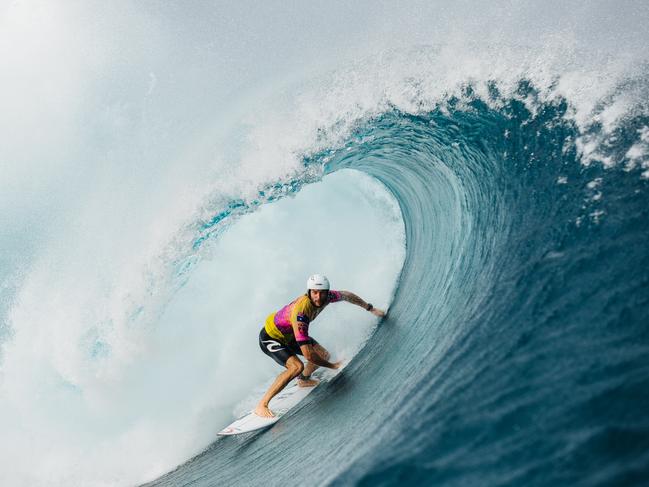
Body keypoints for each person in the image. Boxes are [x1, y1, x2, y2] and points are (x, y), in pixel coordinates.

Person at [254, 274, 386, 417]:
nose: (318, 297)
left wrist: (369, 308)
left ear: (327, 292)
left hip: (290, 335)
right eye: (315, 293)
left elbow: (346, 295)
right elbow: (308, 355)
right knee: (297, 366)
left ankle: (303, 380)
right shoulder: (301, 313)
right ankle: (262, 405)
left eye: (322, 293)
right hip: (271, 337)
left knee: (323, 355)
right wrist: (333, 366)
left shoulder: (328, 297)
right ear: (309, 292)